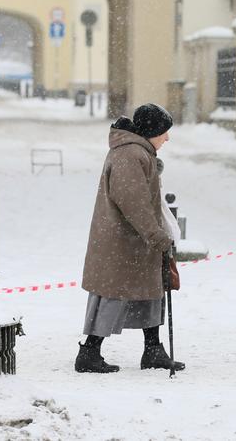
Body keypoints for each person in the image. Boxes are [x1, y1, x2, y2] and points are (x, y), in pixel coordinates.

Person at [76, 103, 186, 374]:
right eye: (164, 132)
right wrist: (156, 235)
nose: (167, 138)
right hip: (124, 243)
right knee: (113, 296)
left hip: (136, 243)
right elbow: (133, 202)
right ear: (152, 131)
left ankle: (153, 350)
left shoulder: (138, 152)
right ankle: (89, 352)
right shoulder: (130, 154)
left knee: (151, 293)